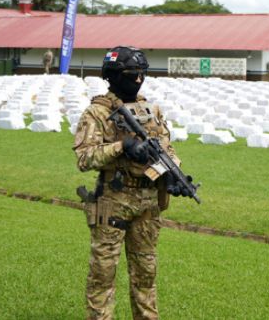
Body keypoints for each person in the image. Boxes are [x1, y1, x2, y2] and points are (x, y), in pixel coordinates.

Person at [73, 46, 190, 320]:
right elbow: (84, 157)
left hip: (148, 203)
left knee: (146, 274)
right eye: (131, 74)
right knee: (103, 273)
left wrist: (172, 175)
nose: (138, 80)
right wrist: (122, 146)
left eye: (142, 74)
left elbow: (167, 149)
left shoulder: (151, 110)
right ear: (113, 76)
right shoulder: (97, 113)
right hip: (112, 201)